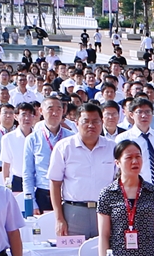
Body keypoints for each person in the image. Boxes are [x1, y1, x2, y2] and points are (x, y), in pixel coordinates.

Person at [98, 140, 154, 256]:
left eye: (138, 156)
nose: (135, 161)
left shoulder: (153, 192)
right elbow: (104, 235)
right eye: (129, 158)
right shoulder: (107, 194)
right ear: (118, 163)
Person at [49, 102, 116, 238]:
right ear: (76, 123)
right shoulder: (64, 147)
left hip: (105, 212)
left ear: (102, 122)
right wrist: (59, 219)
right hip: (74, 213)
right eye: (86, 121)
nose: (91, 125)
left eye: (95, 121)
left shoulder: (112, 148)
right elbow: (55, 184)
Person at [24, 97, 75, 214]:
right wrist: (31, 202)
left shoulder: (72, 138)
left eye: (59, 109)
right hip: (43, 195)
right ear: (41, 111)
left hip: (68, 195)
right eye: (50, 109)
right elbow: (28, 173)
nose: (55, 113)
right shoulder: (32, 139)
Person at [114, 97, 154, 185]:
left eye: (148, 112)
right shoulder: (122, 139)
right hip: (134, 188)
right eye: (139, 112)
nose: (144, 115)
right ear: (131, 115)